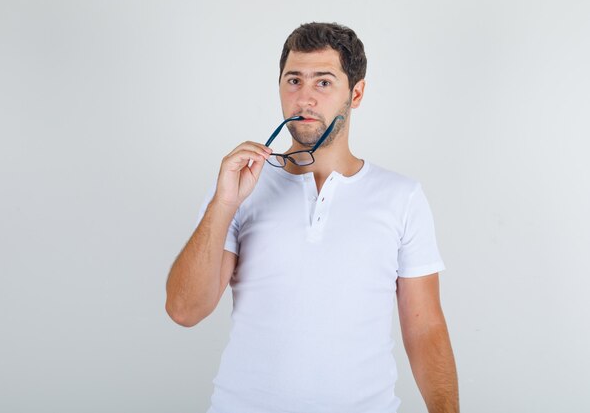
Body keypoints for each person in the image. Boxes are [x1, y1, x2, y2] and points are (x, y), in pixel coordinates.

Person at [165, 22, 459, 413]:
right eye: (293, 81)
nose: (304, 98)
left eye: (323, 83)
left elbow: (425, 329)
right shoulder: (238, 188)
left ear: (356, 94)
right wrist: (224, 203)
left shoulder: (401, 196)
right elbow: (185, 310)